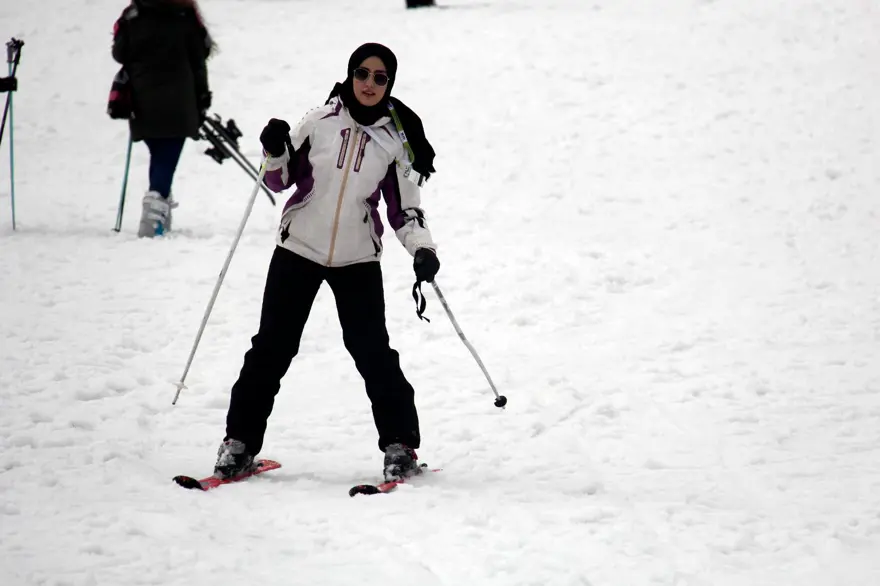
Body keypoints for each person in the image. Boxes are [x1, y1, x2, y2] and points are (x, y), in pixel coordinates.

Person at [213, 43, 441, 482]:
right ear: (350, 75)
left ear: (389, 83)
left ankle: (400, 447)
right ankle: (238, 444)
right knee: (271, 348)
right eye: (362, 73)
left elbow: (403, 210)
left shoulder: (395, 142)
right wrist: (275, 148)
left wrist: (423, 249)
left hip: (357, 258)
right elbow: (278, 180)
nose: (370, 83)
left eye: (380, 77)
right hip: (297, 249)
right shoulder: (317, 123)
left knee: (373, 353)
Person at [111, 0, 213, 238]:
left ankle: (160, 207)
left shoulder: (133, 16)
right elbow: (201, 53)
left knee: (159, 151)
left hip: (141, 96)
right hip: (179, 97)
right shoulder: (185, 15)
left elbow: (120, 52)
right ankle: (154, 210)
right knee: (167, 153)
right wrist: (203, 95)